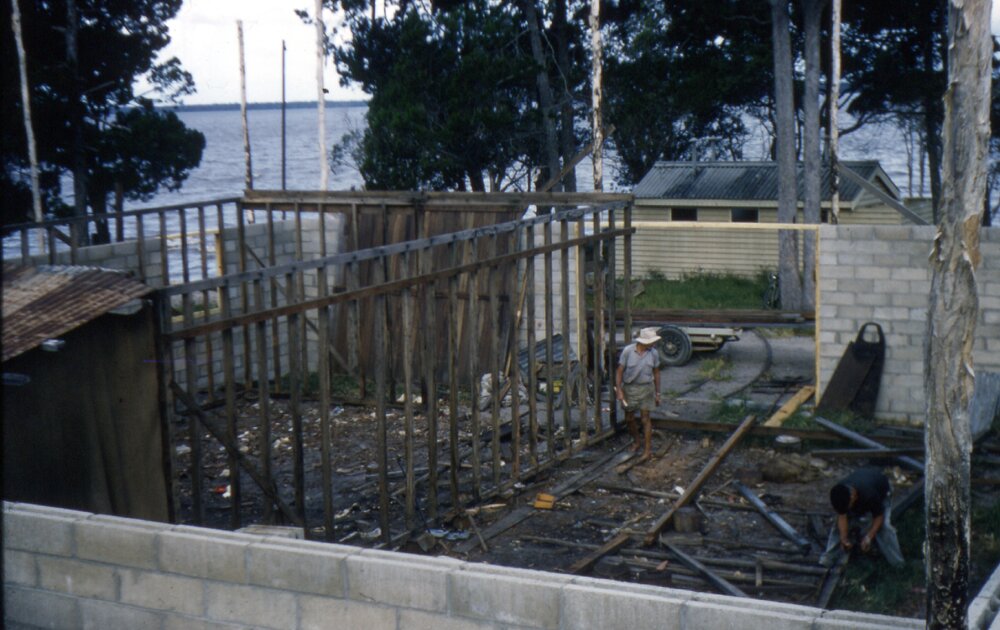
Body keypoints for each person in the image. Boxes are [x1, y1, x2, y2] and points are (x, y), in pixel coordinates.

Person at [819, 467, 904, 567]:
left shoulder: (870, 495)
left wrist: (869, 537)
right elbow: (842, 516)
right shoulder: (840, 492)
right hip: (863, 482)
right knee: (837, 526)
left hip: (882, 491)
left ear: (853, 497)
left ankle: (898, 564)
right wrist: (843, 538)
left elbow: (878, 517)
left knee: (885, 528)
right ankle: (829, 557)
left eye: (848, 506)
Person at [614, 327, 662, 458]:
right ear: (643, 342)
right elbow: (619, 371)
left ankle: (647, 450)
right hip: (630, 388)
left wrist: (658, 394)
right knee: (629, 418)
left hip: (646, 388)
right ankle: (637, 441)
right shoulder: (628, 352)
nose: (653, 344)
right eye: (651, 342)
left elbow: (657, 373)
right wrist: (619, 389)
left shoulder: (653, 353)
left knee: (645, 418)